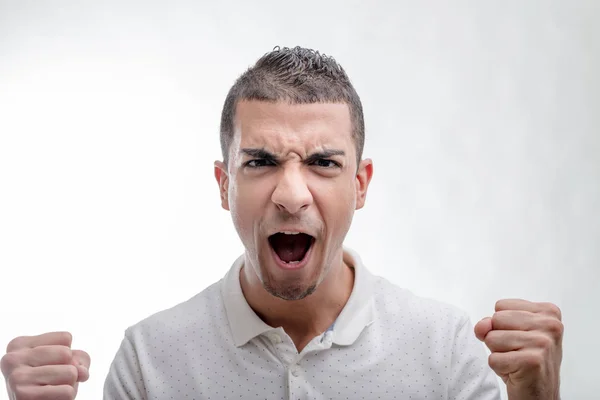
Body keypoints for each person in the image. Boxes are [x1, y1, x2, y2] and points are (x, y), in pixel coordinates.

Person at [2, 46, 563, 400]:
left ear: (360, 184)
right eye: (261, 162)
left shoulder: (444, 350)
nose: (292, 196)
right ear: (224, 185)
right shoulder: (151, 361)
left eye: (323, 162)